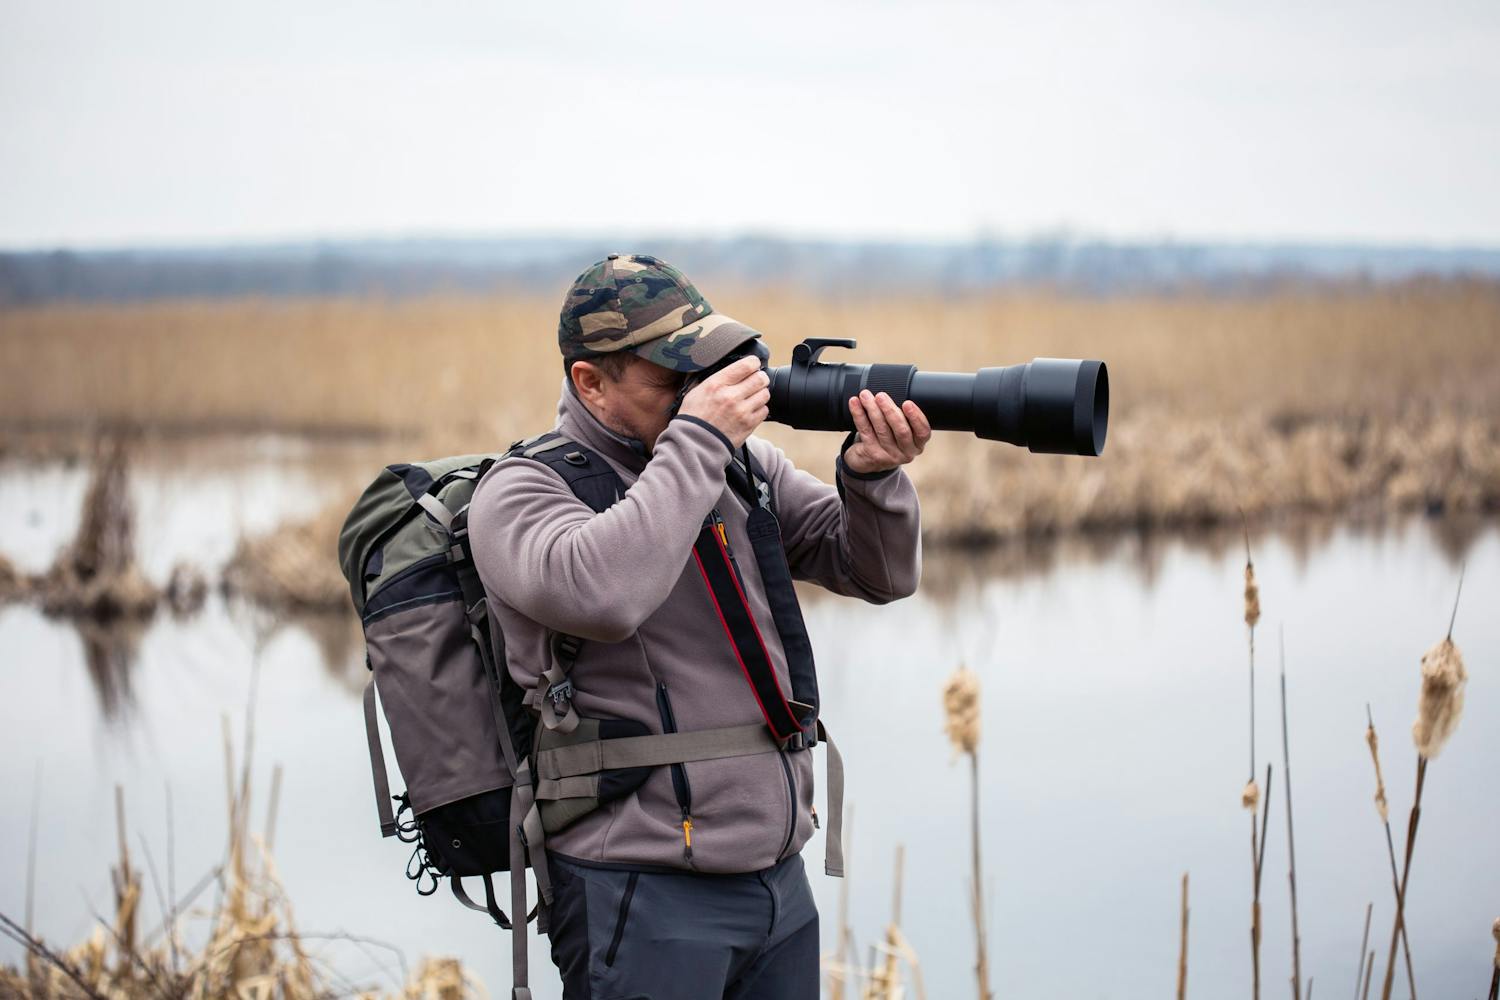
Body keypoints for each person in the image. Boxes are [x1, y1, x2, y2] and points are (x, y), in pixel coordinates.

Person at [468, 253, 929, 999]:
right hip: (639, 890)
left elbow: (877, 573)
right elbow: (604, 594)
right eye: (672, 377)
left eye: (706, 368)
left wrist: (872, 477)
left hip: (778, 883)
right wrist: (700, 440)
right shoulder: (522, 491)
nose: (699, 391)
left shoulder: (741, 468)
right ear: (591, 382)